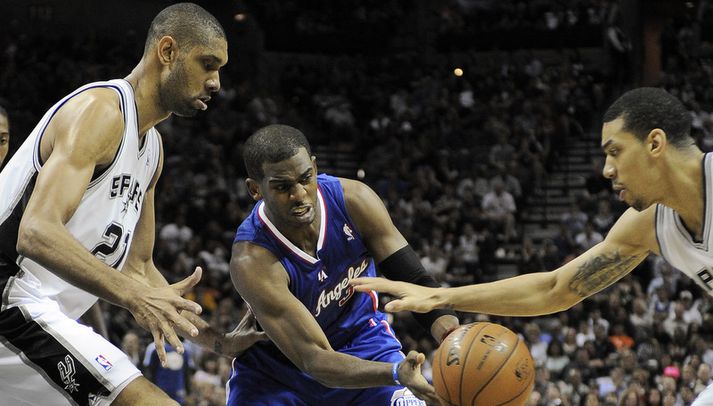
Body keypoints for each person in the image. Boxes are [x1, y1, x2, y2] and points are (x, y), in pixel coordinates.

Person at [352, 87, 713, 405]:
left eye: (615, 151)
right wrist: (442, 297)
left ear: (654, 143)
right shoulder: (650, 223)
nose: (606, 169)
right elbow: (554, 288)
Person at [0, 4, 263, 405]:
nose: (216, 83)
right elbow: (36, 232)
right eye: (207, 64)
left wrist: (216, 341)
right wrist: (133, 296)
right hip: (10, 301)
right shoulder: (100, 112)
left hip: (35, 316)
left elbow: (138, 268)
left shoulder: (152, 150)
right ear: (168, 51)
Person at [227, 124, 459, 405]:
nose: (299, 194)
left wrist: (451, 337)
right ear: (255, 189)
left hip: (366, 345)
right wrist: (397, 372)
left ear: (314, 166)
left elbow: (416, 281)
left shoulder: (354, 201)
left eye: (305, 178)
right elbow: (315, 360)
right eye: (283, 187)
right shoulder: (252, 259)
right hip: (280, 374)